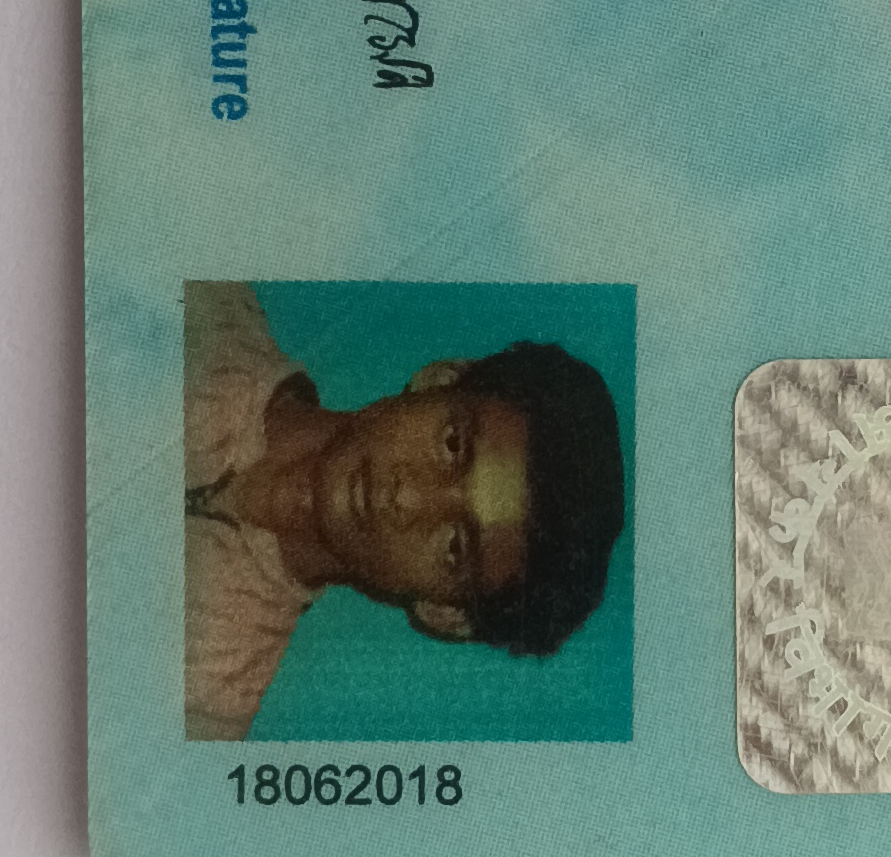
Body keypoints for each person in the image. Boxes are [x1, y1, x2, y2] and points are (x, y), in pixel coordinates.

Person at [183, 280, 625, 740]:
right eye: (452, 445)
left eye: (455, 546)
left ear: (443, 613)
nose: (408, 498)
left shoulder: (206, 704)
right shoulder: (200, 305)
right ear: (442, 379)